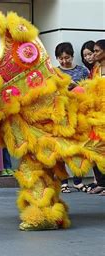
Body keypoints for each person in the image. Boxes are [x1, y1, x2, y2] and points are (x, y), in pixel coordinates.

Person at [54, 42, 90, 193]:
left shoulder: (82, 71)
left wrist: (76, 86)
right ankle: (63, 181)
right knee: (61, 148)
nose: (64, 61)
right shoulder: (54, 72)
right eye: (60, 58)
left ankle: (78, 180)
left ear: (72, 56)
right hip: (61, 114)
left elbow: (89, 89)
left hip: (79, 115)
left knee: (79, 148)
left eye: (67, 57)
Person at [87, 39, 105, 196]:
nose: (94, 54)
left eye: (97, 51)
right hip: (96, 115)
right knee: (93, 148)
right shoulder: (96, 69)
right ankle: (101, 182)